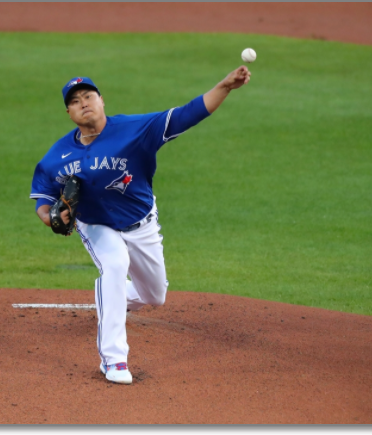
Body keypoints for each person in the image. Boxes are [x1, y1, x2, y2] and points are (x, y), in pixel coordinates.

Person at [30, 66, 251, 384]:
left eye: (88, 96)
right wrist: (49, 217)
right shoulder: (57, 156)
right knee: (115, 265)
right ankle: (114, 360)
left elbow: (187, 114)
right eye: (75, 101)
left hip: (142, 223)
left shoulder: (135, 128)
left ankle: (111, 297)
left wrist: (225, 86)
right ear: (69, 113)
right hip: (97, 226)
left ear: (102, 100)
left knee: (155, 296)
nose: (83, 103)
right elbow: (43, 197)